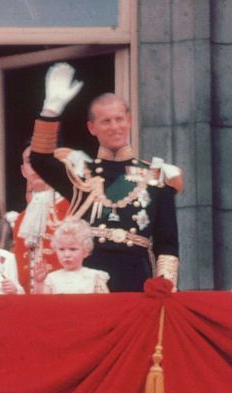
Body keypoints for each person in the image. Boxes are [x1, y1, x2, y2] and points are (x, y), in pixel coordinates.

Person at [28, 63, 182, 292]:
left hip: (136, 279)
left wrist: (165, 284)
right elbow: (40, 160)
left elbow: (167, 243)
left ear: (129, 121)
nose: (114, 127)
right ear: (92, 127)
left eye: (119, 119)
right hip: (87, 279)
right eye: (106, 121)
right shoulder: (80, 174)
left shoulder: (157, 177)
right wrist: (50, 111)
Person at [11, 144, 70, 293]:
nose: (37, 167)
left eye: (43, 160)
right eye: (31, 161)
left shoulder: (73, 209)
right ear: (23, 170)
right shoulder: (20, 219)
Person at [40, 217, 110, 294]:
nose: (66, 254)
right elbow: (44, 303)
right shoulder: (51, 278)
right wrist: (38, 283)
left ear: (85, 251)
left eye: (73, 249)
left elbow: (105, 302)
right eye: (61, 249)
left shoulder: (96, 276)